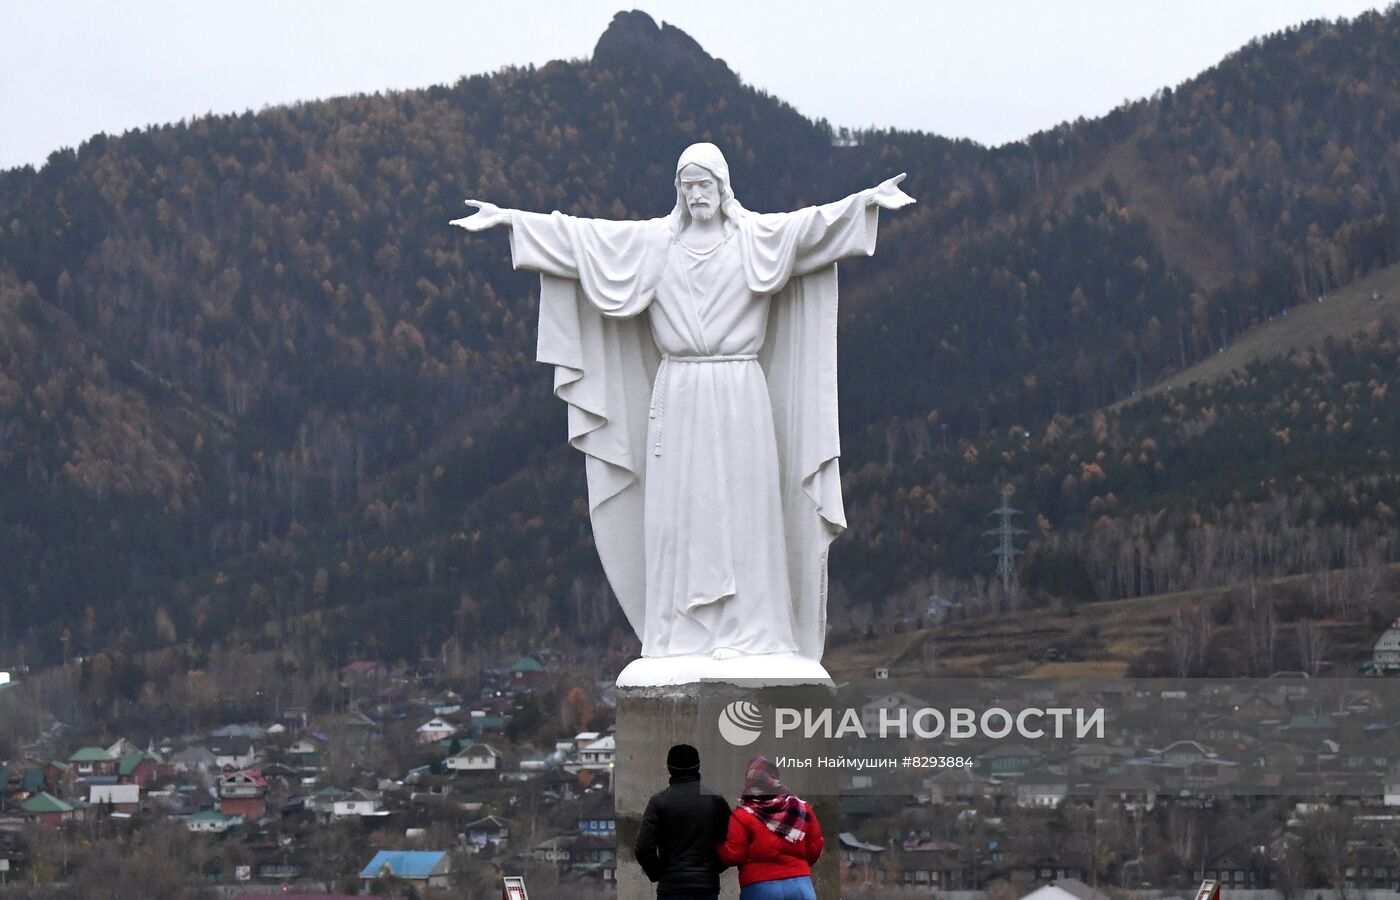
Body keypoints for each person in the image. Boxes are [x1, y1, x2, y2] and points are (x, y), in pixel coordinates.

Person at [452, 144, 913, 667]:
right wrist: (512, 220)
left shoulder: (756, 240)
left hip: (740, 393)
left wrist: (866, 203)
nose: (697, 195)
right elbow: (583, 239)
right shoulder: (655, 246)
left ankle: (753, 631)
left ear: (723, 187)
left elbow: (811, 229)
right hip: (679, 395)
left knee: (744, 510)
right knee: (680, 514)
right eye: (687, 186)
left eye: (705, 185)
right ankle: (679, 634)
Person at [634, 743, 733, 899]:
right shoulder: (715, 800)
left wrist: (660, 873)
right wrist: (713, 869)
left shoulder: (658, 801)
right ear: (698, 767)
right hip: (706, 886)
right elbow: (732, 842)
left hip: (671, 887)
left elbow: (643, 848)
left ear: (669, 768)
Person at [718, 755, 823, 899]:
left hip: (760, 887)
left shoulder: (742, 814)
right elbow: (814, 847)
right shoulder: (801, 808)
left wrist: (717, 848)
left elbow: (734, 854)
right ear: (775, 777)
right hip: (800, 886)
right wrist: (796, 866)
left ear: (749, 781)